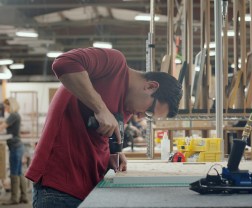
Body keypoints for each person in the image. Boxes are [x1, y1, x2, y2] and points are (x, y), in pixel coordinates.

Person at [25, 47, 183, 208]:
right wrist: (100, 109)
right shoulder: (114, 63)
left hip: (88, 189)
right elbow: (63, 63)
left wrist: (111, 153)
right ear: (150, 87)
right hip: (59, 188)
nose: (142, 116)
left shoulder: (128, 105)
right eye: (149, 111)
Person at [0, 98, 28, 205]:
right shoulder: (16, 115)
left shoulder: (13, 115)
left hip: (15, 148)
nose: (5, 109)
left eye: (6, 107)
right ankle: (24, 197)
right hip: (18, 146)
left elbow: (2, 127)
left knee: (13, 172)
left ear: (10, 106)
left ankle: (14, 198)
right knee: (19, 172)